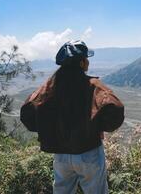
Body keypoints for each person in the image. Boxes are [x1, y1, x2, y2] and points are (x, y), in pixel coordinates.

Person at [52, 40, 108, 194]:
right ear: (82, 62)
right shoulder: (92, 85)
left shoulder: (51, 87)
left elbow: (30, 112)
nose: (88, 61)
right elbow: (116, 110)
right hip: (89, 151)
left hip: (61, 154)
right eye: (86, 58)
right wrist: (100, 126)